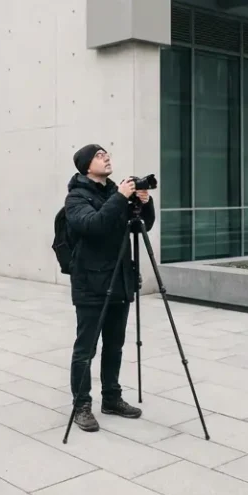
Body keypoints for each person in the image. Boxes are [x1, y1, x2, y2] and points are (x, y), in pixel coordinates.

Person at [63, 144, 154, 433]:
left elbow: (140, 227)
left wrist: (143, 202)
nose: (107, 158)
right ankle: (81, 405)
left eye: (107, 154)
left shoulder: (115, 193)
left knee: (115, 345)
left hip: (119, 279)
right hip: (90, 282)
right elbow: (95, 225)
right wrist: (120, 197)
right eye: (100, 155)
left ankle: (112, 398)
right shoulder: (76, 198)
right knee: (86, 349)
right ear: (86, 165)